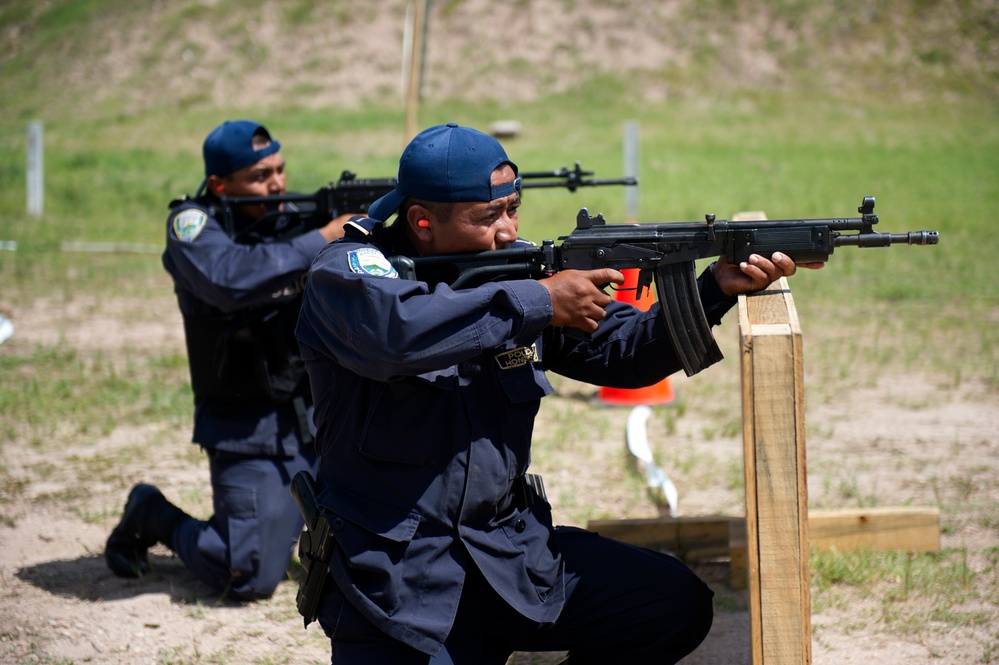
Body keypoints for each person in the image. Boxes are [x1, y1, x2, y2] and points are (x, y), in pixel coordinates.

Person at [294, 122, 823, 663]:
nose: (508, 231)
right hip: (400, 588)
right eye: (488, 217)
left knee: (669, 602)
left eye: (513, 209)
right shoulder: (348, 276)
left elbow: (626, 350)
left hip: (506, 558)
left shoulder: (512, 273)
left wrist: (713, 289)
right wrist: (538, 302)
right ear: (422, 222)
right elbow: (397, 336)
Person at [104, 119, 350, 601]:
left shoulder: (295, 216)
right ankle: (150, 513)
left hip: (318, 418)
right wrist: (322, 239)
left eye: (280, 170)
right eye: (260, 176)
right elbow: (230, 279)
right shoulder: (193, 226)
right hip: (248, 425)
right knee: (248, 573)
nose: (278, 184)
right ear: (221, 185)